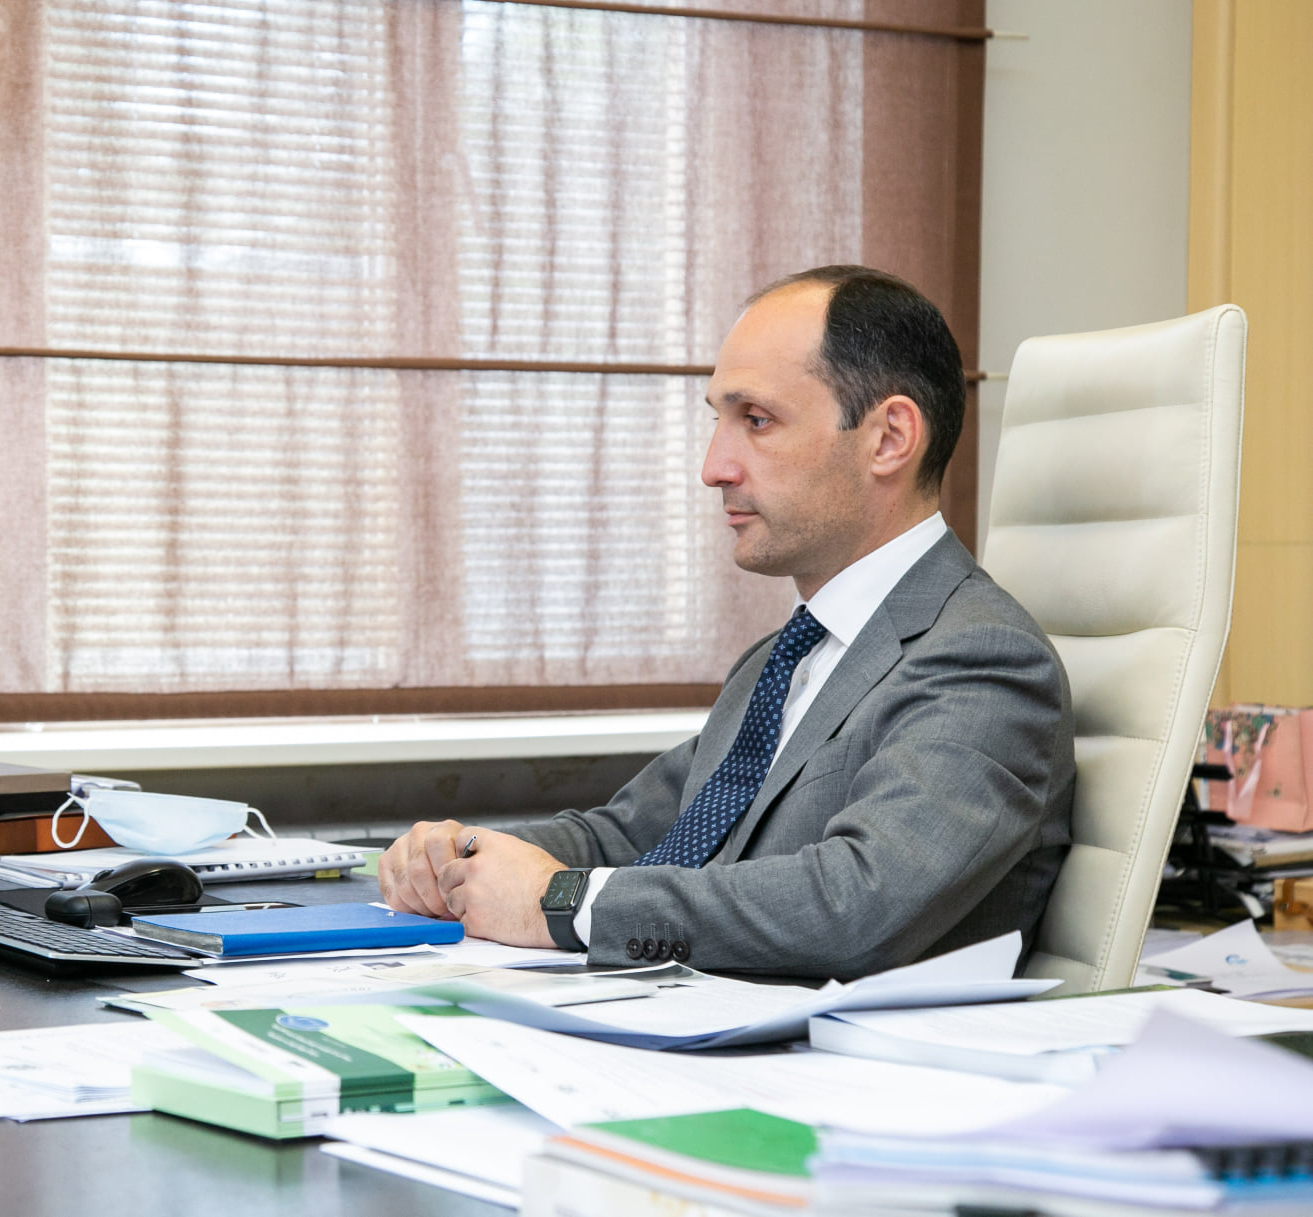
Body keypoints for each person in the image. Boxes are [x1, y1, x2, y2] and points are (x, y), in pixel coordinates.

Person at [378, 265, 1075, 981]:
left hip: (827, 1049)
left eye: (757, 420)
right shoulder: (785, 657)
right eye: (719, 419)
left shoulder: (982, 657)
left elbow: (855, 905)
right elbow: (629, 835)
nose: (714, 467)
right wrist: (458, 858)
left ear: (889, 438)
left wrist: (559, 902)